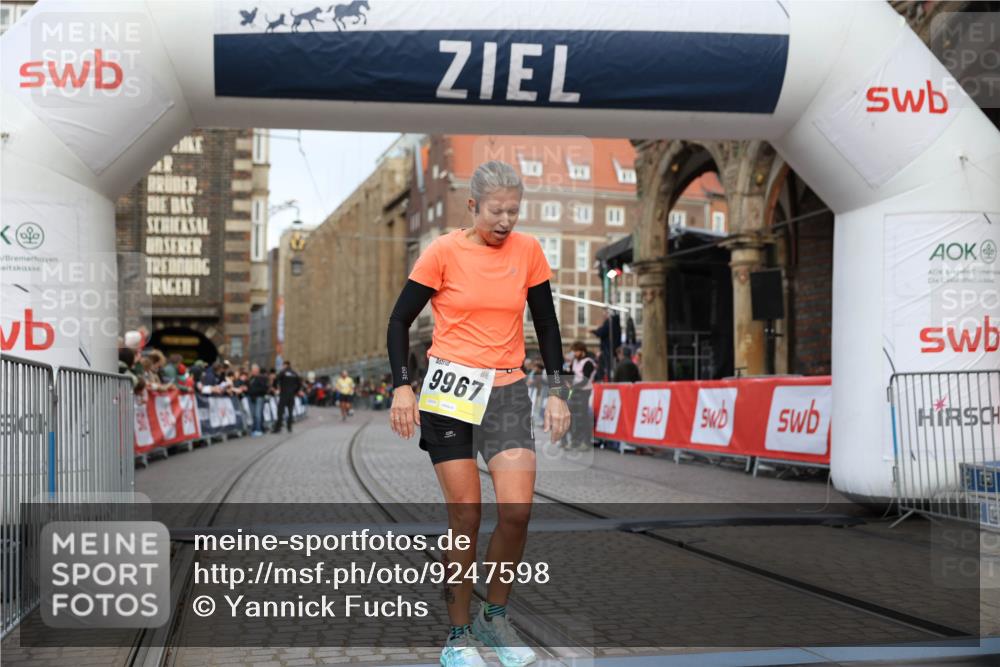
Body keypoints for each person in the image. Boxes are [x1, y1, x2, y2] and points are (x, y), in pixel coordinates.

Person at [387, 160, 570, 667]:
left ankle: (495, 618)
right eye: (496, 211)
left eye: (514, 210)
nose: (506, 221)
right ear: (473, 207)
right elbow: (399, 320)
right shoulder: (443, 251)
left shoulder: (528, 251)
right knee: (465, 516)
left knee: (517, 511)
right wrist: (403, 387)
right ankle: (458, 634)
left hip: (507, 391)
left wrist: (558, 390)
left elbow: (548, 324)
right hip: (449, 391)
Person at [564, 341, 596, 450]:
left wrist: (573, 386)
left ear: (582, 351)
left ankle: (586, 442)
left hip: (584, 391)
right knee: (573, 417)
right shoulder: (575, 362)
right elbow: (571, 375)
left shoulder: (588, 362)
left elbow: (585, 380)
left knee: (583, 416)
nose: (574, 353)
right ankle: (574, 440)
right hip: (575, 390)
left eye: (576, 351)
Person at [273, 360, 301, 433]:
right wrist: (295, 391)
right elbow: (299, 384)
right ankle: (289, 427)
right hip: (291, 395)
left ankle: (278, 427)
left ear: (285, 365)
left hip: (283, 394)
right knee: (290, 411)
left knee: (280, 411)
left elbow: (276, 379)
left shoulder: (283, 372)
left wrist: (276, 387)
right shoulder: (294, 373)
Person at [248, 364, 270, 436]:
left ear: (258, 370)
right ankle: (255, 428)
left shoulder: (262, 378)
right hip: (251, 397)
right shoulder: (251, 378)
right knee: (254, 414)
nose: (254, 371)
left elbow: (264, 388)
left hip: (259, 397)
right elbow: (249, 387)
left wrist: (255, 391)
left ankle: (258, 429)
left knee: (258, 414)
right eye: (253, 370)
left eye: (255, 370)